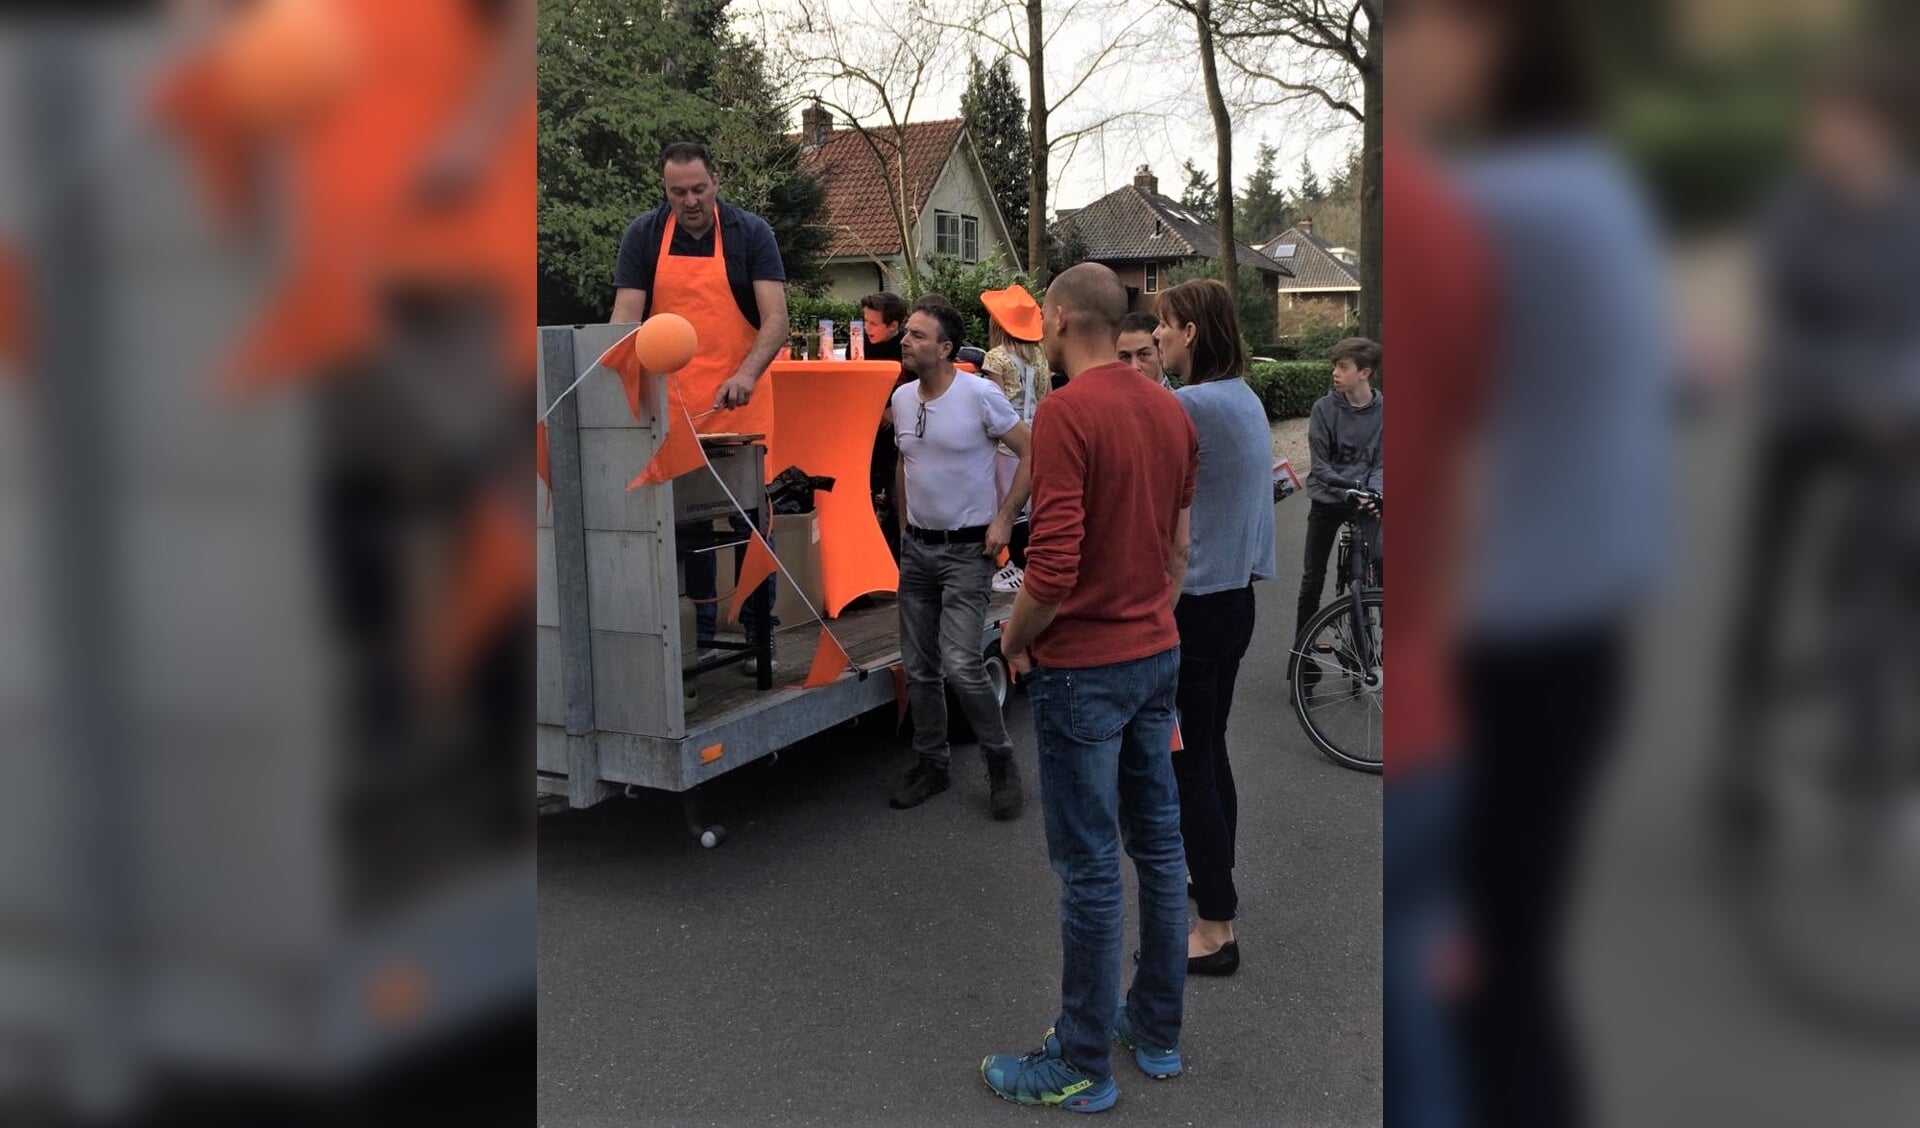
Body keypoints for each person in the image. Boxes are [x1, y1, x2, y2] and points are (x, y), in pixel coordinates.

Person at [982, 264, 1197, 1111]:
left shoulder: (1069, 412)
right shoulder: (1170, 411)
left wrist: (1011, 638)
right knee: (1161, 848)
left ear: (1060, 317)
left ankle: (1079, 1060)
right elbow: (1179, 551)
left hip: (1087, 671)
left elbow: (1056, 565)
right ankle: (1154, 1027)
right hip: (1156, 653)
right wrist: (1150, 619)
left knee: (1090, 869)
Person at [611, 142, 788, 670]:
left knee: (750, 529)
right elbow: (625, 319)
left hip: (739, 406)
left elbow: (775, 320)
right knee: (685, 529)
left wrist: (746, 374)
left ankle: (762, 641)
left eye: (699, 189)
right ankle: (696, 643)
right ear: (664, 191)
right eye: (677, 192)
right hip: (670, 411)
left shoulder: (751, 235)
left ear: (716, 182)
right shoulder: (643, 237)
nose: (689, 201)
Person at [1151, 279, 1276, 977]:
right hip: (1236, 603)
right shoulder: (1245, 398)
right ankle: (1212, 876)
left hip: (1195, 608)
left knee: (1187, 762)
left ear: (1191, 331)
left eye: (1165, 326)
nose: (1160, 337)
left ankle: (1215, 931)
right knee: (1211, 749)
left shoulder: (1191, 405)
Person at [888, 297, 1032, 819]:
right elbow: (906, 465)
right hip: (918, 550)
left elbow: (1031, 451)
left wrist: (1004, 519)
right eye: (906, 332)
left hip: (968, 550)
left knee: (960, 665)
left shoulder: (979, 395)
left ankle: (1000, 761)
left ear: (946, 348)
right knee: (919, 668)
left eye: (919, 335)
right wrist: (904, 529)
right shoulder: (903, 399)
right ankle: (933, 763)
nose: (906, 340)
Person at [1295, 337, 1383, 646]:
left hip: (1366, 498)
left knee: (1386, 562)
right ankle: (1302, 654)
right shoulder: (1323, 409)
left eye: (1343, 366)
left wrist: (1374, 493)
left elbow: (1384, 462)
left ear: (1364, 372)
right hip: (1328, 497)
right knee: (1312, 578)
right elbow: (1319, 466)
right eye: (1335, 366)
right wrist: (1347, 489)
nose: (1335, 372)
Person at [979, 285, 1048, 586]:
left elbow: (994, 402)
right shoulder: (1040, 357)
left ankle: (1013, 566)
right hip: (1036, 437)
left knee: (1006, 504)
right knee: (1029, 505)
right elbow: (1048, 398)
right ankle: (1027, 563)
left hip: (1007, 443)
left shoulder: (996, 358)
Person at [862, 291, 910, 561]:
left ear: (893, 325)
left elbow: (918, 386)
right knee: (866, 494)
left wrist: (894, 410)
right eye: (864, 321)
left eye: (873, 323)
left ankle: (899, 561)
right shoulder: (857, 346)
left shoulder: (905, 349)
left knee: (896, 500)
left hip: (894, 439)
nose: (867, 328)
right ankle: (872, 557)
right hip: (864, 435)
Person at [1117, 311, 1171, 388]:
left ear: (1161, 353)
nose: (1134, 367)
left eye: (1143, 354)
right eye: (1125, 357)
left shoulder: (1181, 399)